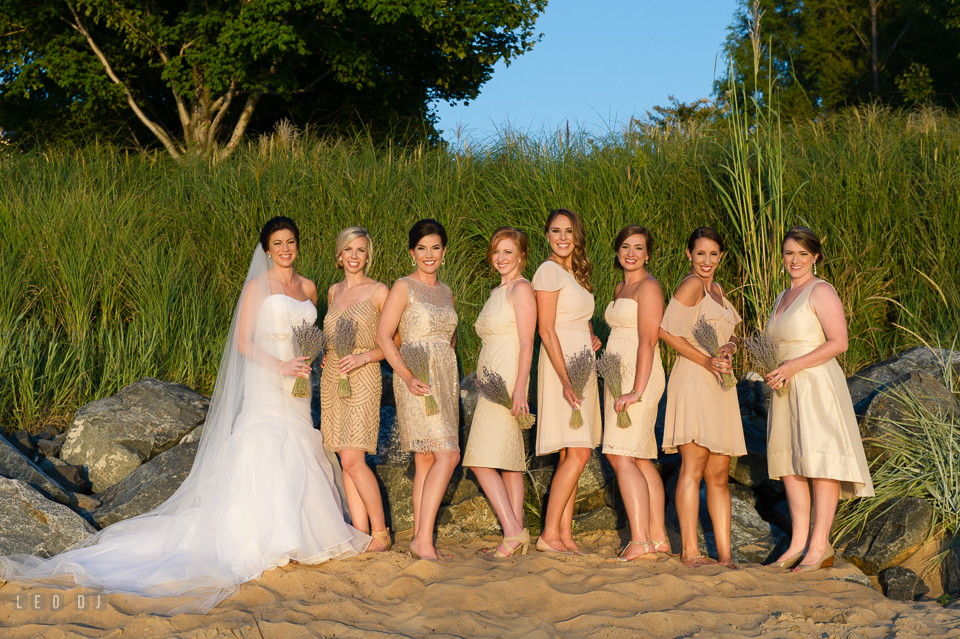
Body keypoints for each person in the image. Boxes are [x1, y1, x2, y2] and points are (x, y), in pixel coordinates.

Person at [0, 217, 369, 614]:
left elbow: (312, 336)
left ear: (298, 245)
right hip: (268, 379)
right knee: (265, 445)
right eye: (277, 243)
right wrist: (279, 367)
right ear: (266, 250)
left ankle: (301, 534)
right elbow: (244, 343)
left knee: (297, 446)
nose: (285, 249)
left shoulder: (310, 287)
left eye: (291, 242)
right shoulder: (255, 288)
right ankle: (270, 538)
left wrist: (310, 361)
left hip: (300, 384)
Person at [764, 226, 874, 572]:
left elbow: (839, 342)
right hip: (785, 387)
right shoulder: (783, 295)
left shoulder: (820, 290)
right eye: (788, 253)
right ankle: (798, 542)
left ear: (815, 257)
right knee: (790, 464)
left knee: (819, 461)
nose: (794, 260)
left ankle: (819, 545)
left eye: (802, 254)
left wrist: (794, 365)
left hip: (814, 383)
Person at [658, 226, 745, 569]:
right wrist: (707, 360)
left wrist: (730, 346)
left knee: (719, 475)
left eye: (713, 254)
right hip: (695, 379)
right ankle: (691, 551)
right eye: (700, 254)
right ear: (688, 255)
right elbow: (665, 330)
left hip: (719, 385)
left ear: (720, 256)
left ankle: (724, 556)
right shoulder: (692, 284)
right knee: (693, 468)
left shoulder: (719, 289)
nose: (706, 261)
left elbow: (734, 329)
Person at [376, 219, 459, 562]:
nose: (429, 255)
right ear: (412, 252)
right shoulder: (403, 286)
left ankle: (421, 540)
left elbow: (451, 336)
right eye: (422, 248)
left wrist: (449, 368)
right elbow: (384, 336)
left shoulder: (447, 291)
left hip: (445, 377)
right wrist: (408, 376)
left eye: (435, 248)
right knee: (448, 455)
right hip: (415, 377)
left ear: (444, 251)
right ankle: (423, 539)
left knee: (426, 459)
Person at [463, 227, 537, 557]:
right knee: (509, 460)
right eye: (497, 252)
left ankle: (512, 530)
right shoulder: (498, 291)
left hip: (507, 381)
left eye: (508, 252)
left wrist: (519, 389)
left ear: (522, 255)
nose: (501, 258)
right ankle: (516, 532)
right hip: (491, 378)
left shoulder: (521, 289)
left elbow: (526, 343)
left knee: (479, 460)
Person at [532, 208, 602, 555]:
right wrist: (564, 379)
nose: (562, 237)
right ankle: (548, 534)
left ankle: (564, 533)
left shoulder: (575, 272)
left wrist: (590, 335)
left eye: (569, 231)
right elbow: (546, 329)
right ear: (547, 235)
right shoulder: (547, 271)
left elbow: (575, 318)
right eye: (556, 231)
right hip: (562, 366)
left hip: (581, 360)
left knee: (570, 454)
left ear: (577, 236)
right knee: (579, 450)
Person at [320, 226, 391, 552]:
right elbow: (331, 336)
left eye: (360, 250)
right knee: (342, 456)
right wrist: (323, 355)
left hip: (363, 377)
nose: (354, 256)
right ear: (339, 255)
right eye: (348, 250)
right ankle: (360, 533)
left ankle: (380, 533)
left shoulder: (379, 292)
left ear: (368, 256)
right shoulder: (333, 292)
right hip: (333, 378)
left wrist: (364, 357)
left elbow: (396, 342)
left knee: (353, 457)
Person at [601, 225, 668, 562]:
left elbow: (648, 341)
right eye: (625, 246)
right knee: (639, 456)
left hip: (639, 376)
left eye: (638, 248)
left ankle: (639, 539)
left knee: (619, 454)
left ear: (648, 254)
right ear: (617, 252)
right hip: (617, 372)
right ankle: (658, 538)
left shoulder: (649, 287)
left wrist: (636, 391)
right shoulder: (620, 286)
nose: (631, 253)